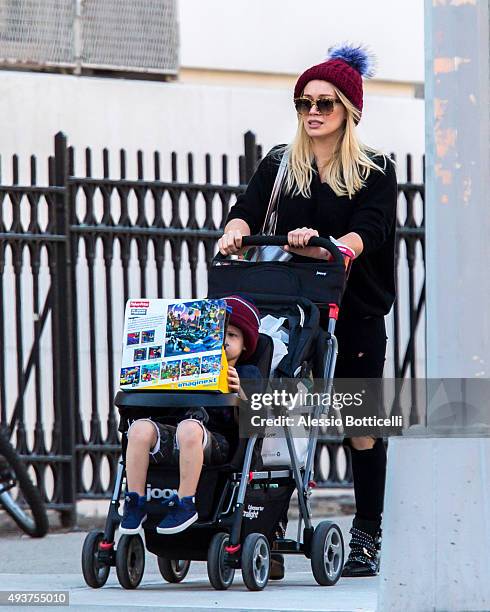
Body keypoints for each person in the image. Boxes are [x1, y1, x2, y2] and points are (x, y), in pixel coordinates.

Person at [218, 43, 398, 578]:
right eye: (304, 103)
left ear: (350, 111)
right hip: (289, 308)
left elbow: (372, 229)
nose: (312, 112)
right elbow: (245, 211)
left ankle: (367, 533)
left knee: (359, 422)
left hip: (354, 309)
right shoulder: (279, 164)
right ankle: (268, 526)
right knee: (274, 417)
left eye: (325, 102)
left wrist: (334, 244)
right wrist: (236, 230)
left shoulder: (375, 170)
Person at [120, 295, 262, 535]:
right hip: (173, 433)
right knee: (139, 429)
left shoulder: (247, 373)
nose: (223, 340)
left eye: (231, 335)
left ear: (246, 345)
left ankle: (185, 502)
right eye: (218, 333)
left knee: (190, 428)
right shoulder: (184, 358)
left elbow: (257, 421)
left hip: (215, 441)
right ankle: (135, 500)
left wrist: (241, 393)